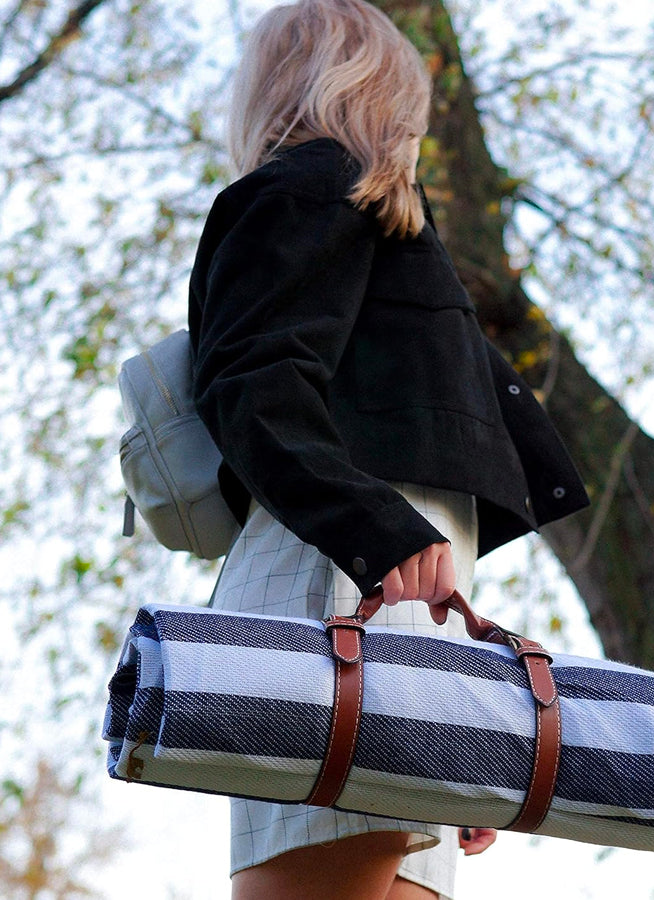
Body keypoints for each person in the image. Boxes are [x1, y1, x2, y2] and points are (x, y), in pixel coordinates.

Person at [187, 1, 589, 898]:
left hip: (397, 603)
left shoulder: (381, 217)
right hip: (337, 577)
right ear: (370, 82)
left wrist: (464, 730)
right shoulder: (305, 189)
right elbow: (254, 383)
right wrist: (379, 531)